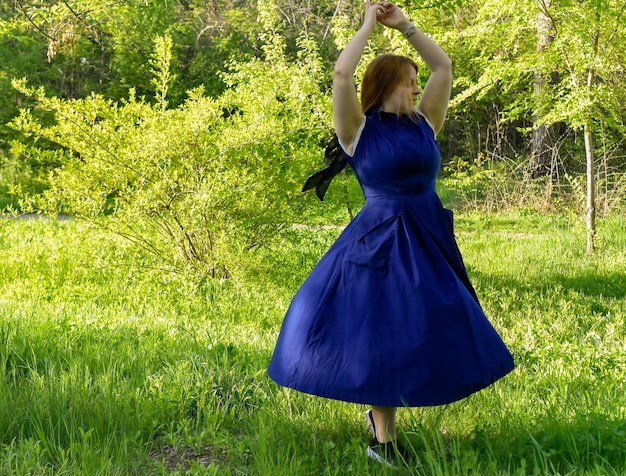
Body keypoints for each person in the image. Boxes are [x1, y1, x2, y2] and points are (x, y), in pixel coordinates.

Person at [268, 2, 514, 468]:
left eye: (417, 81)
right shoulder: (357, 131)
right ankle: (384, 440)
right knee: (382, 332)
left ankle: (399, 413)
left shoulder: (425, 124)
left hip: (427, 236)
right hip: (378, 243)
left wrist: (406, 28)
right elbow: (342, 76)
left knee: (430, 325)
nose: (418, 85)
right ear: (386, 86)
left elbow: (444, 66)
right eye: (409, 80)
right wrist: (365, 26)